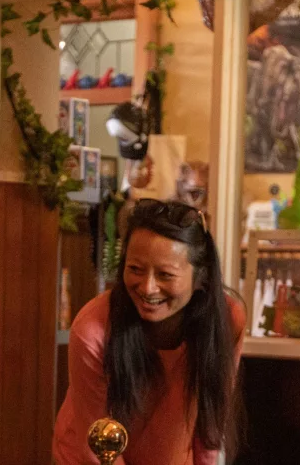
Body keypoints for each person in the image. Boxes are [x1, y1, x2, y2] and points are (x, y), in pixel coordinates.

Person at [54, 199, 246, 465]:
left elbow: (210, 423)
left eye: (165, 275)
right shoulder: (92, 330)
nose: (147, 288)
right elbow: (96, 450)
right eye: (135, 269)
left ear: (201, 277)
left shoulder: (228, 320)